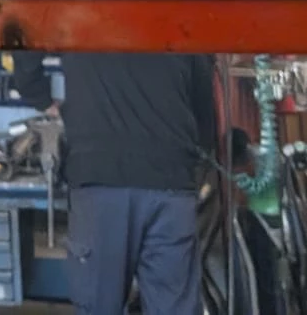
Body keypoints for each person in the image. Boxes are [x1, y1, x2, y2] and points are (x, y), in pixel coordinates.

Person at [12, 52, 216, 315]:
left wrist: (40, 97)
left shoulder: (79, 10)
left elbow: (24, 37)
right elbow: (203, 104)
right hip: (170, 179)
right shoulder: (181, 11)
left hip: (101, 179)